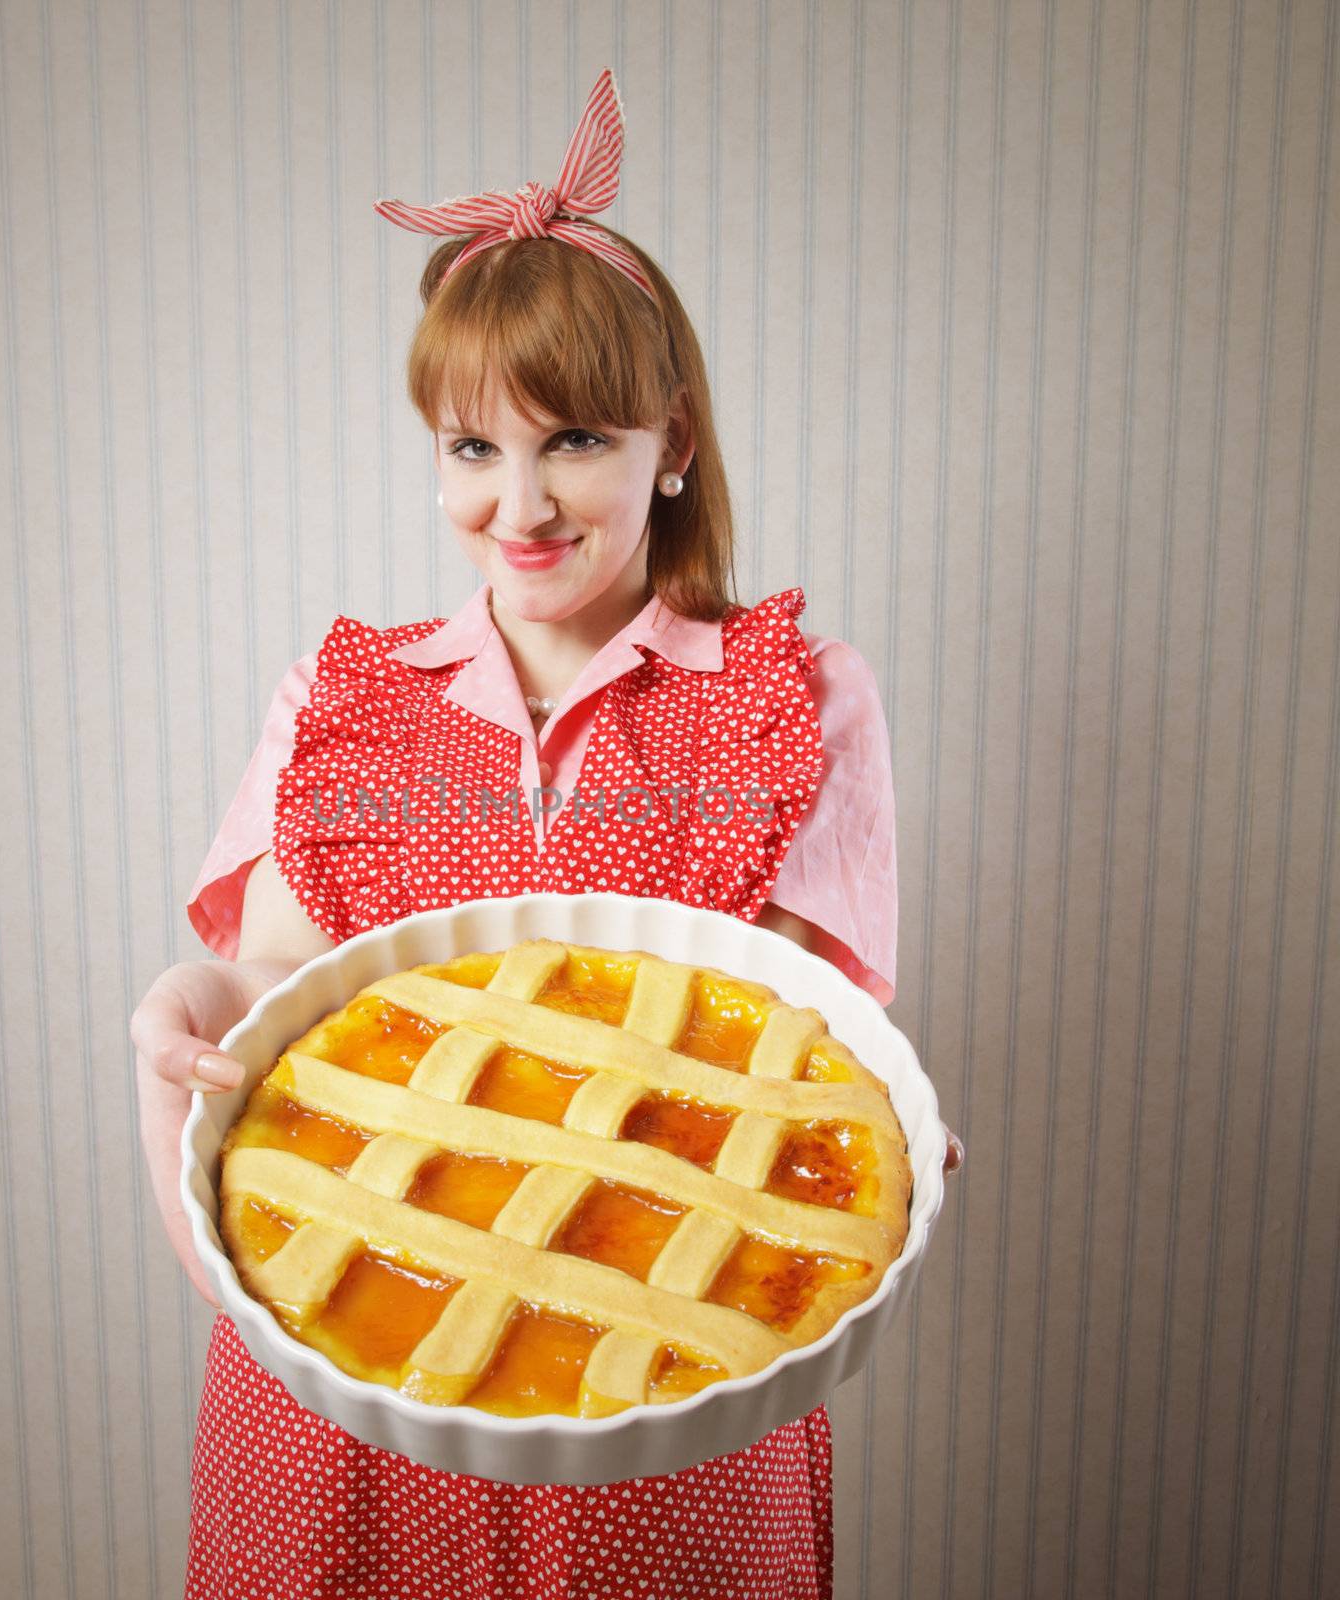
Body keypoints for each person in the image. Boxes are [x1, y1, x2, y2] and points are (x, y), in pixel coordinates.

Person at [130, 66, 961, 1600]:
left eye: (573, 439)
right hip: (343, 1397)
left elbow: (795, 1064)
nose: (519, 506)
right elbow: (267, 1015)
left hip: (666, 1410)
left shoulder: (795, 698)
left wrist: (879, 1146)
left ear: (674, 439)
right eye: (470, 448)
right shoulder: (345, 694)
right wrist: (179, 1028)